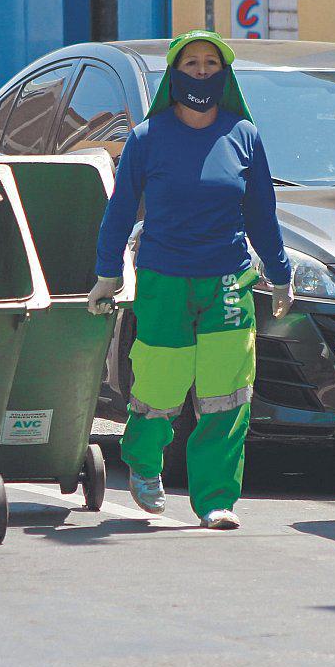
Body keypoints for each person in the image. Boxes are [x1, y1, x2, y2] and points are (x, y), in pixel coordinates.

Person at [87, 29, 295, 530]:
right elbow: (120, 211)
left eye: (211, 63)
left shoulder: (243, 135)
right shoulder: (147, 138)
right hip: (164, 280)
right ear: (175, 74)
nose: (201, 71)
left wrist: (280, 274)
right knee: (160, 385)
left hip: (228, 281)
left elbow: (262, 213)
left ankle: (216, 500)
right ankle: (144, 462)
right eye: (191, 63)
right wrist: (107, 274)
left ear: (224, 73)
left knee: (228, 391)